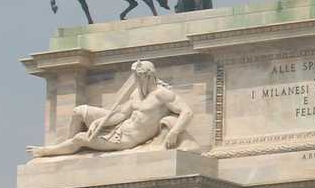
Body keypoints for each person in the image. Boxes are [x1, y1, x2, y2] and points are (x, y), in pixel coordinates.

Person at [28, 59, 193, 157]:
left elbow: (187, 111)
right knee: (79, 111)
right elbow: (120, 114)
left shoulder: (162, 95)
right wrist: (99, 122)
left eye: (137, 76)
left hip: (126, 140)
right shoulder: (136, 93)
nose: (135, 80)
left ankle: (48, 151)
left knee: (80, 138)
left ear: (147, 76)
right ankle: (66, 146)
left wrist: (174, 132)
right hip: (119, 128)